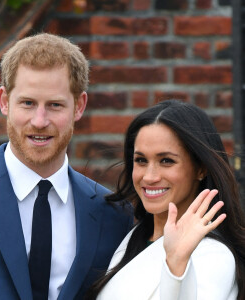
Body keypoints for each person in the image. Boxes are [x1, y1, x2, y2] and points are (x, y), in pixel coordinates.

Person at [0, 33, 133, 300]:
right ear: (4, 101)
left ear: (79, 106)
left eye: (55, 105)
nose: (39, 120)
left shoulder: (113, 214)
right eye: (28, 103)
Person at [87, 100, 245, 299]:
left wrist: (176, 266)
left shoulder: (214, 255)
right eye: (141, 160)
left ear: (201, 168)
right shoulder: (134, 237)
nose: (149, 176)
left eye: (166, 161)